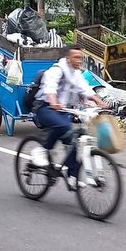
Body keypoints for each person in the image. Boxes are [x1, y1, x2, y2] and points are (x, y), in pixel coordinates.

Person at [31, 44, 108, 189]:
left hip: (63, 111)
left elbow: (85, 89)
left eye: (81, 58)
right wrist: (53, 103)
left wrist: (101, 103)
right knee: (63, 126)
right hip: (45, 108)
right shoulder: (56, 70)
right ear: (68, 58)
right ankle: (41, 151)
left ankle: (71, 173)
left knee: (80, 141)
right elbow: (50, 88)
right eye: (76, 57)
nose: (80, 60)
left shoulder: (76, 73)